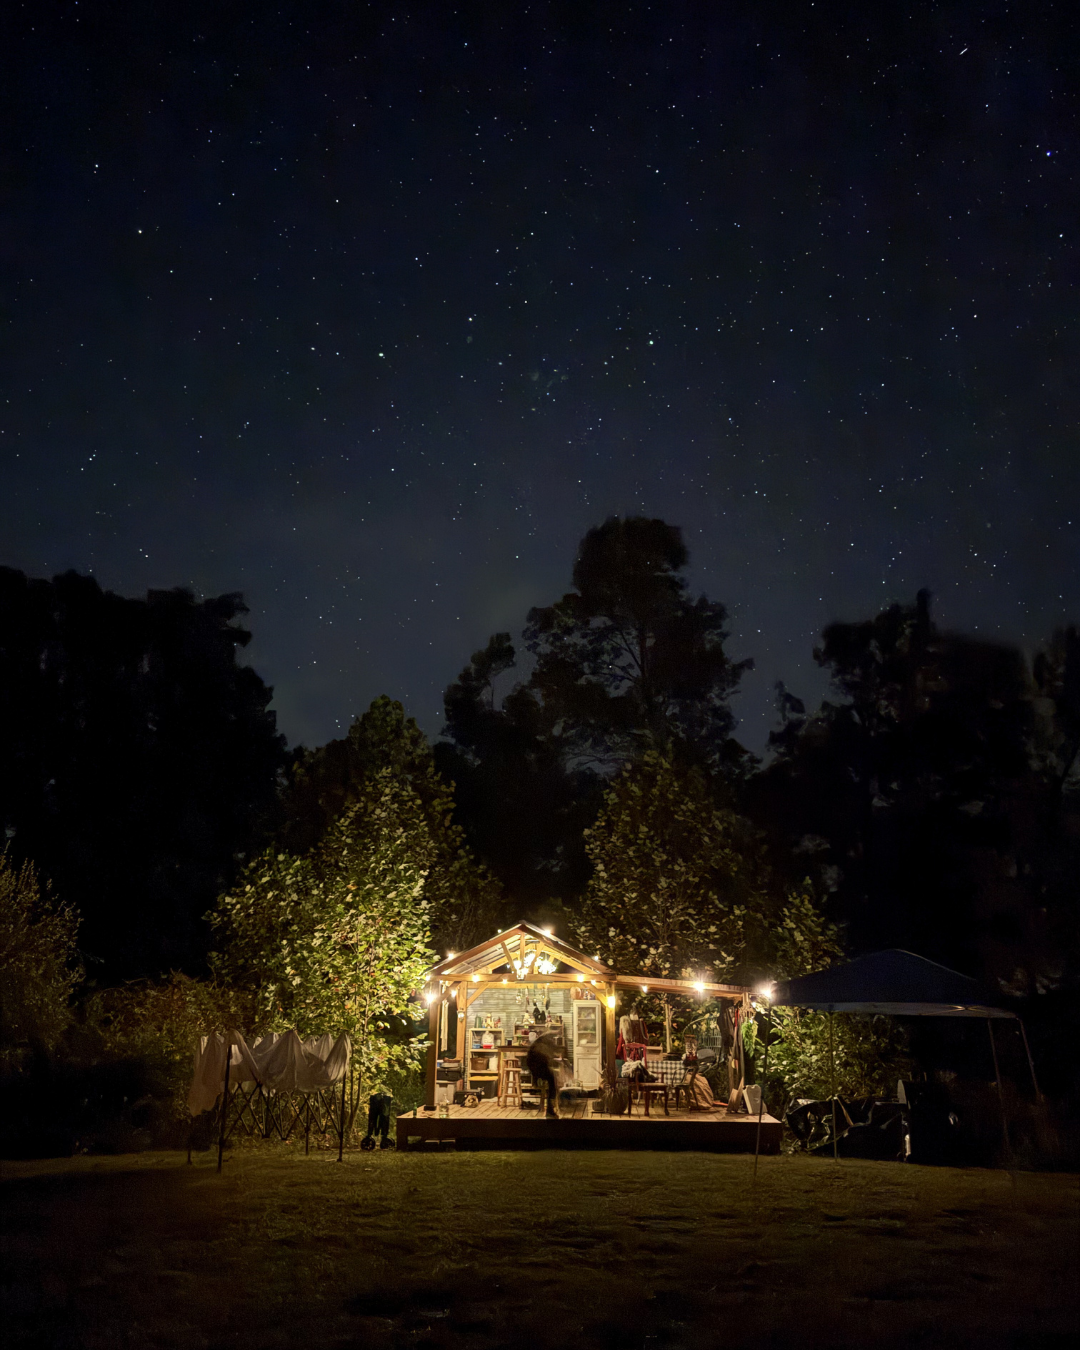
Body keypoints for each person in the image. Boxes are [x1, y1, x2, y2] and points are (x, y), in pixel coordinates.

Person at [527, 1031, 562, 1118]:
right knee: (553, 1081)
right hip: (538, 1069)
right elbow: (549, 1057)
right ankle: (550, 1109)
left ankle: (550, 1107)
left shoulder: (539, 1043)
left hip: (534, 1069)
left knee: (553, 1078)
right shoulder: (543, 1045)